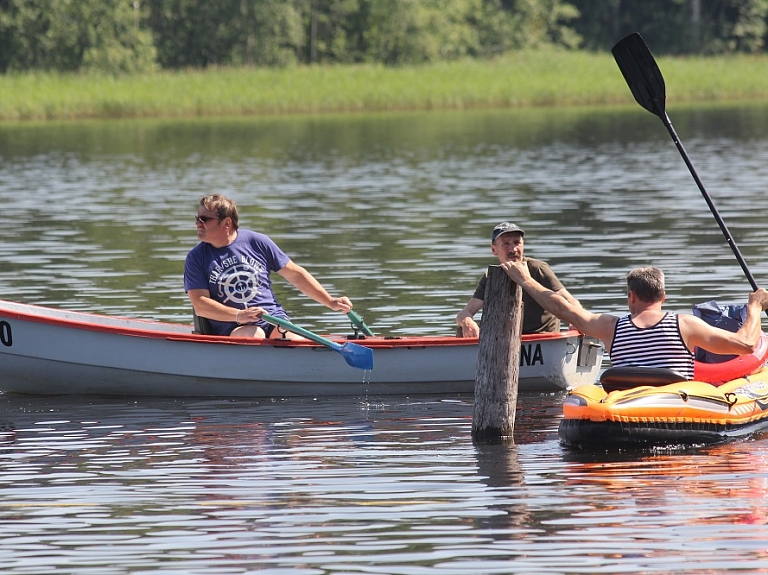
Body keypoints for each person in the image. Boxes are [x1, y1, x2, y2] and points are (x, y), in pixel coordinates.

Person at [503, 264, 768, 380]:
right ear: (663, 296)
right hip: (673, 411)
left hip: (625, 410)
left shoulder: (610, 327)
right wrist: (754, 306)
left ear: (631, 296)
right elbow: (745, 345)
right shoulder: (685, 324)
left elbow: (564, 310)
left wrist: (525, 280)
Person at [184, 194, 353, 339]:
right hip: (232, 326)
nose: (198, 223)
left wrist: (331, 301)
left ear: (226, 223)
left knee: (289, 337)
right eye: (197, 219)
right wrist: (239, 315)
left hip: (273, 318)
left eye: (204, 219)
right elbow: (200, 304)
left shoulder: (257, 242)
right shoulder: (196, 258)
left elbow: (295, 275)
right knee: (255, 334)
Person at [456, 222, 581, 336]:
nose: (513, 249)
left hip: (542, 339)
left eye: (517, 242)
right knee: (462, 330)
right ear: (494, 250)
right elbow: (464, 313)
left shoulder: (538, 269)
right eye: (506, 244)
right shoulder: (491, 276)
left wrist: (576, 321)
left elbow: (571, 302)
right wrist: (467, 321)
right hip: (506, 341)